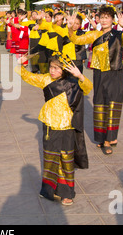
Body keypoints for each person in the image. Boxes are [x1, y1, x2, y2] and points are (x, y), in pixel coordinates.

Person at [15, 52, 92, 206]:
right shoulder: (45, 79)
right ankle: (48, 189)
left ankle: (66, 192)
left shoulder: (73, 82)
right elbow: (28, 77)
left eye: (57, 68)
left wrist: (81, 76)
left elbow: (88, 88)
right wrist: (20, 64)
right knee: (50, 158)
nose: (53, 71)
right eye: (51, 67)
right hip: (49, 125)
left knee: (65, 159)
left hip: (66, 126)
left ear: (65, 70)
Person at [68, 5, 123, 155]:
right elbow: (76, 39)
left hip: (115, 73)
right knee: (99, 104)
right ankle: (102, 137)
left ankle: (108, 140)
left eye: (107, 17)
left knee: (112, 104)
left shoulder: (118, 34)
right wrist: (71, 27)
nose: (104, 20)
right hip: (99, 74)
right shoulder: (95, 34)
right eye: (102, 17)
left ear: (112, 19)